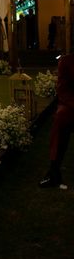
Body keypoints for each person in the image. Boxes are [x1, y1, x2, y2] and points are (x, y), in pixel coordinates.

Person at [39, 53, 74, 188]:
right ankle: (54, 171)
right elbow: (63, 90)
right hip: (71, 105)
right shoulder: (66, 61)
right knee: (61, 117)